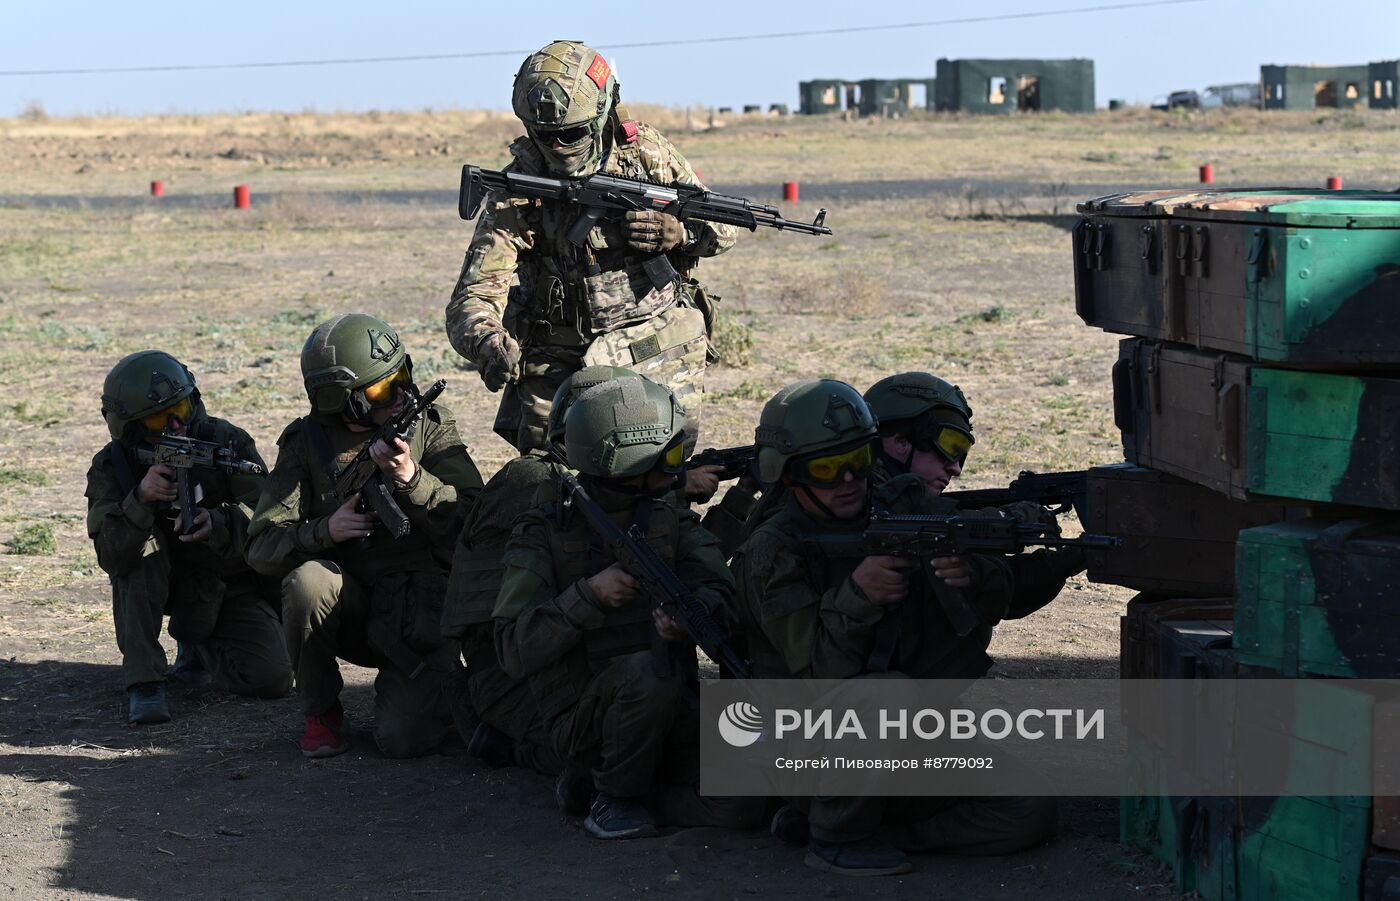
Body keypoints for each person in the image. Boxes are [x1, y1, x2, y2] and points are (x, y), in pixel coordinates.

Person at [731, 379, 1056, 876]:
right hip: (799, 746)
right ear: (790, 475)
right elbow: (814, 676)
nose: (847, 480)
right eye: (825, 469)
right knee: (886, 696)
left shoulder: (895, 503)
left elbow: (974, 545)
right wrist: (857, 597)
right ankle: (837, 836)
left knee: (1026, 808)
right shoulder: (773, 550)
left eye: (857, 462)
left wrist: (973, 571)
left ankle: (876, 830)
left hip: (900, 738)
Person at [492, 376, 759, 839]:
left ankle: (595, 790)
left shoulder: (665, 518)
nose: (680, 464)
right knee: (646, 672)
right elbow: (513, 649)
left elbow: (719, 588)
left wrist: (692, 615)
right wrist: (588, 596)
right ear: (634, 462)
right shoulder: (544, 531)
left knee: (747, 800)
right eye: (671, 455)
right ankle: (614, 799)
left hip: (670, 710)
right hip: (583, 726)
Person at [445, 39, 735, 452]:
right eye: (546, 136)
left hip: (653, 351)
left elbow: (724, 227)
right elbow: (472, 298)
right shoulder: (519, 192)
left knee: (660, 486)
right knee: (553, 494)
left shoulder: (647, 155)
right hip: (559, 364)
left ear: (601, 117)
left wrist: (679, 233)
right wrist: (489, 342)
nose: (559, 147)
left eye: (572, 134)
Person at [246, 313, 483, 759]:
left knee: (402, 741)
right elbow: (259, 546)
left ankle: (450, 688)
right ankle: (320, 712)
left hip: (419, 615)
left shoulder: (428, 424)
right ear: (343, 399)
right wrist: (324, 531)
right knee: (308, 582)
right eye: (381, 389)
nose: (401, 395)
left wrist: (413, 480)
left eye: (403, 375)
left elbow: (476, 523)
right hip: (351, 610)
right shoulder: (306, 443)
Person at [441, 364, 636, 779]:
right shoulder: (536, 481)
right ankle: (503, 742)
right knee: (610, 751)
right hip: (505, 670)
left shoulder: (593, 484)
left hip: (564, 652)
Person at [86, 351, 291, 724]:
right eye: (160, 418)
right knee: (139, 553)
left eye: (181, 407)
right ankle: (145, 681)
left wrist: (220, 523)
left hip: (224, 580)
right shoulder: (112, 466)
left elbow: (271, 521)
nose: (177, 423)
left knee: (273, 679)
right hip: (155, 580)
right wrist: (141, 500)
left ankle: (200, 645)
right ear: (130, 426)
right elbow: (111, 554)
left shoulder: (225, 442)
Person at [863, 371, 1086, 615]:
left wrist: (1067, 560)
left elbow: (1001, 589)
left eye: (961, 453)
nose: (955, 468)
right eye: (949, 446)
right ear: (900, 443)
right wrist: (1010, 518)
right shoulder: (862, 502)